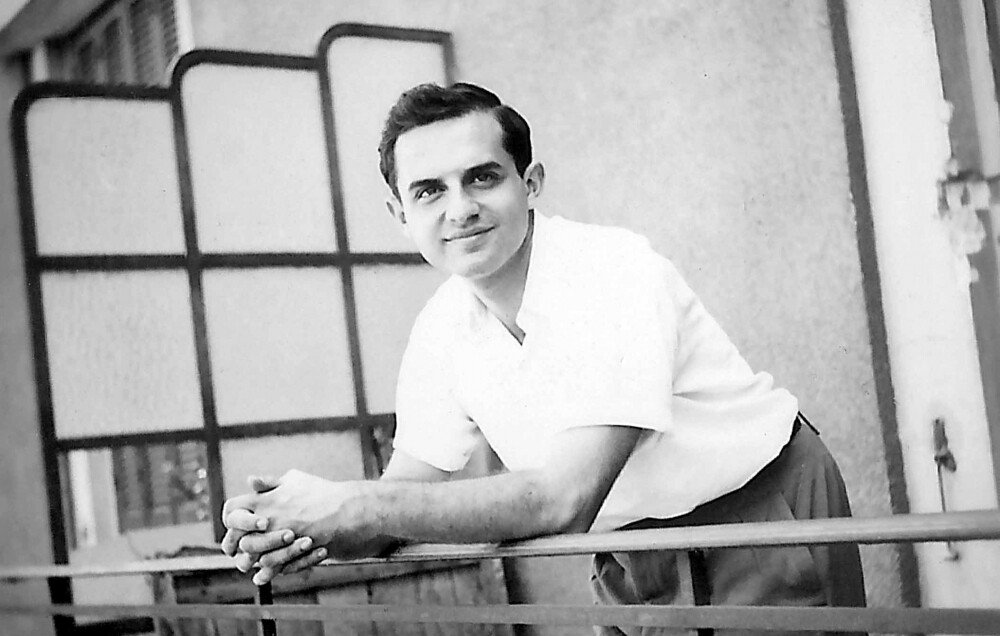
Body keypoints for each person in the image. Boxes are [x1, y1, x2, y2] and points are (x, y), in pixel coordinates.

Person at [220, 82, 866, 634]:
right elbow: (405, 495)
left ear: (530, 183)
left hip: (754, 511)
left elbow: (563, 500)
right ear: (399, 214)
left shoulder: (612, 270)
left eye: (482, 177)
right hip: (629, 546)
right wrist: (290, 529)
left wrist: (353, 508)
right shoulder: (442, 326)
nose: (461, 209)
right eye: (428, 192)